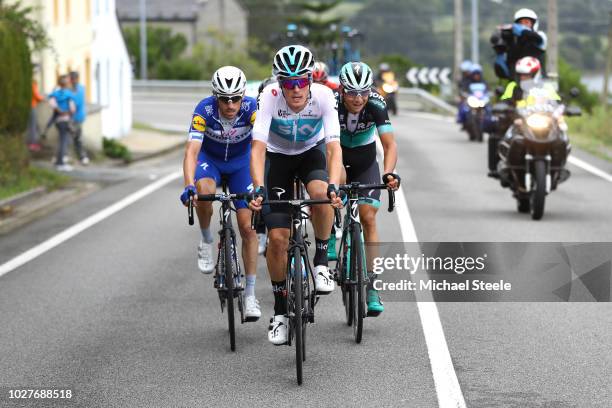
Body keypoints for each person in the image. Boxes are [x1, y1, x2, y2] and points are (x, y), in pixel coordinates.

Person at [249, 45, 343, 345]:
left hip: (309, 154)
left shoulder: (325, 97)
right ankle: (278, 312)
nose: (295, 89)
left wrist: (335, 185)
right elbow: (258, 149)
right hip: (278, 160)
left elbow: (333, 148)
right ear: (279, 83)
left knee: (320, 194)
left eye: (301, 81)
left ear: (309, 80)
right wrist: (257, 186)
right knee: (277, 238)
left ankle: (320, 262)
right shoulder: (269, 98)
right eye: (288, 83)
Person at [180, 66, 261, 321]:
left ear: (242, 96)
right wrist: (188, 185)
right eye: (224, 99)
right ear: (215, 96)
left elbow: (262, 146)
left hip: (241, 165)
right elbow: (191, 152)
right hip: (210, 161)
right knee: (203, 191)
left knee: (248, 228)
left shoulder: (252, 108)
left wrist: (260, 185)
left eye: (235, 98)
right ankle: (205, 240)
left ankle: (250, 295)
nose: (230, 104)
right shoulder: (203, 110)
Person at [328, 61, 400, 316]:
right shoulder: (331, 103)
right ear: (341, 90)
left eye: (363, 92)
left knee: (368, 217)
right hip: (336, 157)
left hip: (365, 160)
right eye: (351, 92)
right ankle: (328, 237)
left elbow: (389, 145)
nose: (358, 99)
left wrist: (389, 172)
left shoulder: (377, 104)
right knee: (333, 196)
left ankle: (372, 286)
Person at [490, 8, 546, 80]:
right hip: (517, 82)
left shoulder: (540, 36)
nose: (523, 25)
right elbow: (503, 72)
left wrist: (517, 29)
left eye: (526, 22)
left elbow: (533, 37)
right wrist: (499, 51)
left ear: (533, 24)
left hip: (537, 81)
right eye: (520, 23)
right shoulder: (514, 42)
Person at [48, 75, 76, 171]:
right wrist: (66, 112)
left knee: (62, 141)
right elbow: (73, 108)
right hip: (65, 120)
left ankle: (59, 160)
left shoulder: (54, 94)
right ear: (66, 84)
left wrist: (60, 111)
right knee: (64, 141)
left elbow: (53, 105)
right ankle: (61, 163)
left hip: (58, 120)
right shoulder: (69, 94)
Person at [69, 71, 89, 165]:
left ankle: (82, 157)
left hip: (77, 117)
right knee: (75, 137)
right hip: (75, 116)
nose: (71, 80)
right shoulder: (74, 88)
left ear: (76, 79)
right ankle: (80, 157)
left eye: (72, 79)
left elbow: (76, 103)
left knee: (77, 137)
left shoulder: (79, 89)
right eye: (71, 79)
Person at [27, 74, 44, 152]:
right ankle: (32, 144)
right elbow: (36, 95)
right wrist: (42, 98)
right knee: (33, 126)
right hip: (32, 106)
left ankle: (31, 143)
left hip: (28, 106)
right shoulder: (32, 84)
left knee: (31, 126)